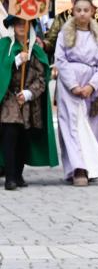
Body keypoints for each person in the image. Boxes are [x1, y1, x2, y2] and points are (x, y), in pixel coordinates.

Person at [55, 0, 98, 186]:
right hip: (69, 83)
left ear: (92, 12)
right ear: (73, 11)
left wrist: (91, 85)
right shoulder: (65, 33)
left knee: (92, 126)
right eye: (78, 10)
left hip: (90, 83)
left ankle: (91, 165)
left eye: (86, 10)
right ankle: (77, 168)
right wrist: (73, 85)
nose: (82, 13)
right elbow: (60, 59)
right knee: (71, 126)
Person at [0, 15, 57, 189]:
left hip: (29, 100)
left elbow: (42, 77)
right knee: (10, 132)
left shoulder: (37, 50)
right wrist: (15, 61)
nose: (21, 27)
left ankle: (18, 174)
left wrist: (29, 93)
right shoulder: (4, 46)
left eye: (25, 23)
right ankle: (10, 176)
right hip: (8, 96)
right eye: (17, 23)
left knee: (24, 136)